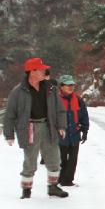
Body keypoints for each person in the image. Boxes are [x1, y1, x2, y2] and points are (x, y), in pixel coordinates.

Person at [3, 57, 68, 198]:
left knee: (54, 159)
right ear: (32, 72)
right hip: (30, 129)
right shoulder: (18, 91)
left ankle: (53, 187)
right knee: (30, 161)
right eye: (41, 69)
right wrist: (9, 134)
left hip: (48, 126)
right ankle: (26, 191)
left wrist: (62, 126)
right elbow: (9, 115)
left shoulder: (50, 88)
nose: (45, 71)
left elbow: (60, 110)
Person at [57, 75, 90, 187]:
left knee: (73, 160)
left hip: (74, 134)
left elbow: (84, 116)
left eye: (72, 85)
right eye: (68, 85)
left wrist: (85, 131)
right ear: (61, 86)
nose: (71, 87)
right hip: (60, 135)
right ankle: (59, 179)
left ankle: (68, 181)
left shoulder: (78, 100)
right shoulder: (55, 100)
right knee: (60, 160)